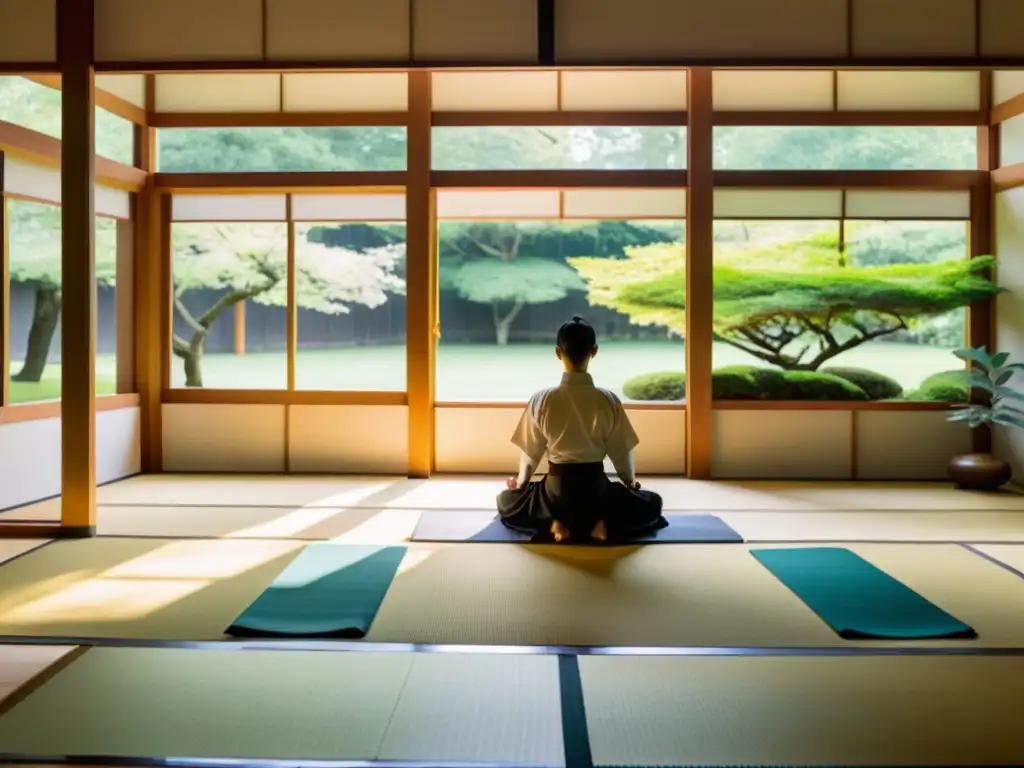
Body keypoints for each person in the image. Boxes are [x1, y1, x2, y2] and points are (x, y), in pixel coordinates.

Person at [496, 315, 666, 543]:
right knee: (652, 502)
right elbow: (622, 453)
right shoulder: (608, 400)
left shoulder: (542, 400)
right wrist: (629, 482)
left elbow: (530, 454)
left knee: (505, 499)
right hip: (596, 489)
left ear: (558, 352)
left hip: (555, 490)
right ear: (594, 351)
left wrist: (520, 483)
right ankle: (601, 524)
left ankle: (554, 523)